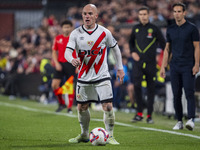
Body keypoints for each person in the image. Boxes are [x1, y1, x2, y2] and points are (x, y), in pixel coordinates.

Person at [64, 4, 125, 144]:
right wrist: (71, 59)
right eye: (85, 13)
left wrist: (120, 68)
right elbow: (68, 51)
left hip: (102, 75)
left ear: (96, 16)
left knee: (108, 106)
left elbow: (116, 49)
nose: (87, 16)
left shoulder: (104, 32)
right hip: (84, 76)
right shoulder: (75, 33)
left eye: (90, 14)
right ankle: (84, 134)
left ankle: (110, 136)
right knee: (81, 107)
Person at [160, 2, 200, 130]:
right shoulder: (170, 29)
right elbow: (167, 49)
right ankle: (179, 121)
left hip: (188, 65)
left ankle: (191, 119)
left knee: (189, 92)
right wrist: (163, 66)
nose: (177, 14)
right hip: (175, 66)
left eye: (179, 11)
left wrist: (197, 64)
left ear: (184, 13)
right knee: (176, 94)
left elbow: (197, 47)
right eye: (175, 12)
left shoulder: (192, 28)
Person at [129, 6, 166, 123]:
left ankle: (149, 116)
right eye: (141, 14)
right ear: (138, 16)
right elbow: (130, 43)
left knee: (151, 89)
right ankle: (139, 113)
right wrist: (132, 52)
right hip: (138, 63)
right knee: (137, 86)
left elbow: (164, 44)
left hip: (151, 64)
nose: (143, 16)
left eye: (145, 14)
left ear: (148, 15)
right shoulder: (135, 28)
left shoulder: (154, 28)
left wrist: (160, 56)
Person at [51, 20, 76, 113]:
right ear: (62, 28)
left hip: (71, 64)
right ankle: (61, 103)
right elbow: (54, 51)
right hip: (60, 64)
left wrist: (78, 65)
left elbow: (79, 52)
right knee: (54, 85)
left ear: (71, 28)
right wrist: (56, 63)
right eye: (65, 27)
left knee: (69, 86)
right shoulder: (57, 38)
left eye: (68, 27)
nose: (66, 29)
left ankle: (69, 108)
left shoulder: (74, 39)